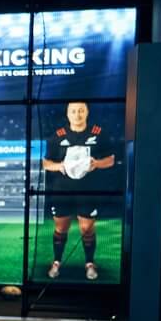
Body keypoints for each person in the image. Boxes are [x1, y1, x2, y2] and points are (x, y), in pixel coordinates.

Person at [39, 98, 121, 282]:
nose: (77, 114)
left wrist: (96, 163)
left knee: (86, 229)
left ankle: (90, 263)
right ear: (68, 114)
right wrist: (59, 166)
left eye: (81, 110)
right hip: (62, 191)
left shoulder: (98, 134)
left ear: (87, 112)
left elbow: (111, 160)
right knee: (61, 228)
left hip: (88, 190)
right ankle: (57, 262)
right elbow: (45, 163)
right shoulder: (57, 136)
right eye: (74, 111)